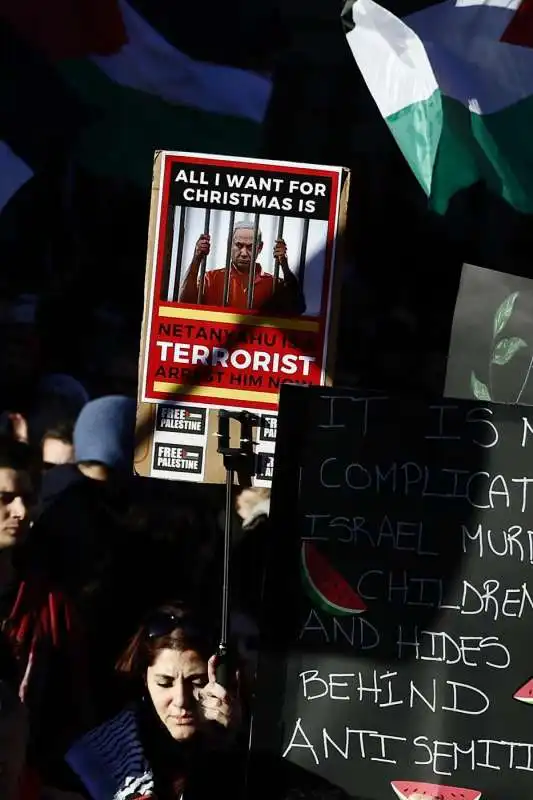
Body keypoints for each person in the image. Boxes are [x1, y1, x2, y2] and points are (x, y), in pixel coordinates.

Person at [66, 602, 242, 800]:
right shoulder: (97, 757)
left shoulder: (244, 742)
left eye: (197, 682)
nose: (181, 700)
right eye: (164, 683)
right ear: (145, 680)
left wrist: (227, 743)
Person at [0, 436, 89, 787]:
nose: (21, 511)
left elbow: (76, 709)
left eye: (28, 499)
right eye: (5, 499)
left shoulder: (51, 605)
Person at [179, 222, 306, 314]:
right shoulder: (210, 279)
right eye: (239, 246)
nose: (244, 253)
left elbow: (298, 308)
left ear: (259, 248)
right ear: (230, 245)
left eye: (250, 247)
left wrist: (284, 265)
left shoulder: (273, 284)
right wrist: (197, 258)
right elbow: (184, 305)